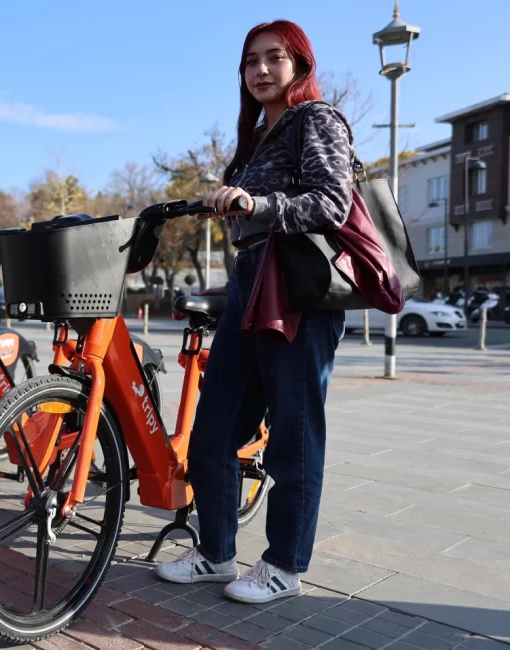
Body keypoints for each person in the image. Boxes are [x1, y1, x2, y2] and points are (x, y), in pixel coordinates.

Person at [155, 20, 353, 604]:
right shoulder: (255, 139)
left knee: (294, 434)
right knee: (212, 428)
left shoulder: (317, 120)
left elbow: (333, 201)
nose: (261, 70)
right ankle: (215, 553)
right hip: (251, 283)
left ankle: (284, 565)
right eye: (250, 62)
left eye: (274, 58)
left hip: (298, 290)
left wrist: (258, 202)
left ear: (300, 65)